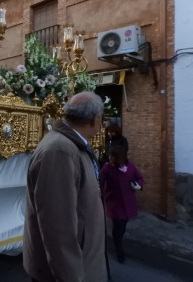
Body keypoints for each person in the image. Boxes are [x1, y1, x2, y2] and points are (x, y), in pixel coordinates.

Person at [23, 91, 109, 282]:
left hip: (83, 263)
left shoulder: (71, 145)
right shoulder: (60, 151)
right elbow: (57, 226)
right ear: (96, 119)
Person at [100, 145, 144, 264]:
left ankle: (117, 240)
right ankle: (119, 251)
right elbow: (100, 181)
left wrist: (138, 185)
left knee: (122, 226)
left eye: (113, 156)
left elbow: (140, 178)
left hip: (128, 202)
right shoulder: (107, 168)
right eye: (110, 155)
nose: (111, 158)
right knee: (117, 226)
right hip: (114, 202)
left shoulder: (130, 167)